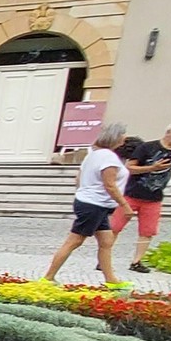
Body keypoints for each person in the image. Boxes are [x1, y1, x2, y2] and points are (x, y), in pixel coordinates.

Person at [43, 122, 133, 288]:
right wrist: (125, 205)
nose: (125, 137)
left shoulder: (93, 155)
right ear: (116, 137)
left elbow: (78, 178)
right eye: (123, 134)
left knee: (106, 241)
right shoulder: (108, 157)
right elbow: (110, 184)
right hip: (94, 204)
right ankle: (48, 277)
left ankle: (110, 279)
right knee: (75, 240)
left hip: (95, 203)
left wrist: (83, 192)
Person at [113, 121, 171, 273]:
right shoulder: (147, 147)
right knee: (115, 227)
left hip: (154, 198)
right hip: (132, 194)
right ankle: (103, 259)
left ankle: (137, 262)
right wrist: (152, 168)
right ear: (169, 132)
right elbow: (129, 168)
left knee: (147, 231)